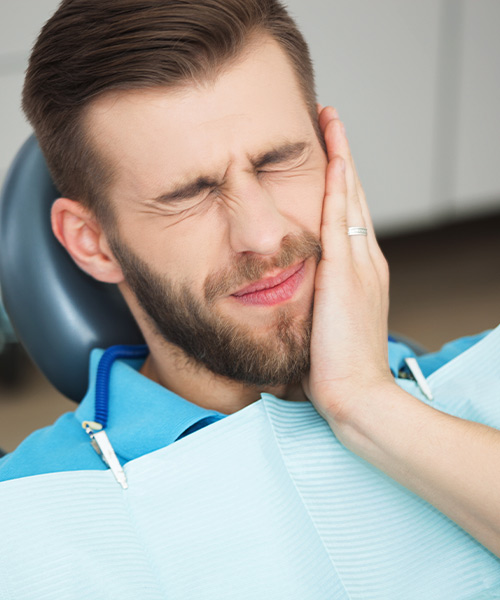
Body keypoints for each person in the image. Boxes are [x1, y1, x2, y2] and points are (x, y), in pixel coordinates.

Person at [0, 0, 499, 567]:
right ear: (93, 242)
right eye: (190, 193)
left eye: (278, 160)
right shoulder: (22, 520)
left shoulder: (482, 379)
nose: (263, 236)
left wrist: (369, 404)